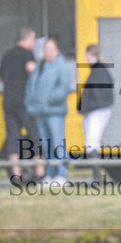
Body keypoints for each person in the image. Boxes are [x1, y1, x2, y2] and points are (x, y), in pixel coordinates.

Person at [25, 38, 73, 185]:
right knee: (46, 145)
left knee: (58, 143)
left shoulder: (61, 66)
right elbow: (31, 86)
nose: (48, 51)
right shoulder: (40, 67)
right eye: (45, 49)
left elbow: (64, 88)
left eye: (51, 48)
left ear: (57, 50)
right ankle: (50, 176)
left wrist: (49, 99)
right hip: (41, 113)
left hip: (55, 113)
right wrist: (31, 103)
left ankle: (61, 175)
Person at [0, 28, 40, 181]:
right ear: (27, 39)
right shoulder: (27, 54)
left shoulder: (7, 55)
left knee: (13, 137)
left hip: (8, 102)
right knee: (34, 133)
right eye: (33, 40)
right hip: (24, 102)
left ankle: (16, 173)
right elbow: (31, 69)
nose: (34, 43)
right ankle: (40, 170)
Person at [77, 44, 114, 180]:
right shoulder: (100, 69)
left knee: (92, 142)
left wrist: (87, 106)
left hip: (96, 111)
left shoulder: (97, 71)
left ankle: (97, 176)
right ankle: (96, 175)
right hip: (97, 110)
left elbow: (99, 94)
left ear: (89, 54)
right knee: (93, 142)